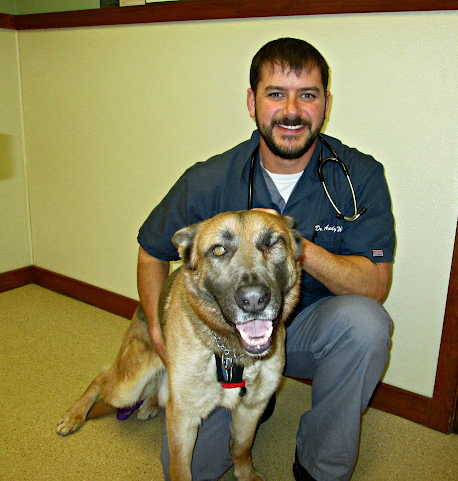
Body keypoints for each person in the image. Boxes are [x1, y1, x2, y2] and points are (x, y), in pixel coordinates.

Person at [137, 37, 395, 481]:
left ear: (326, 103)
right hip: (224, 338)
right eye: (276, 93)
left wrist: (293, 245)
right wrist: (159, 332)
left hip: (312, 327)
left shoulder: (360, 176)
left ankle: (321, 468)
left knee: (367, 325)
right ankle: (255, 390)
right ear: (252, 101)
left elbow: (375, 286)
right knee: (195, 469)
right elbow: (150, 254)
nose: (291, 110)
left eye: (307, 95)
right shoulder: (208, 179)